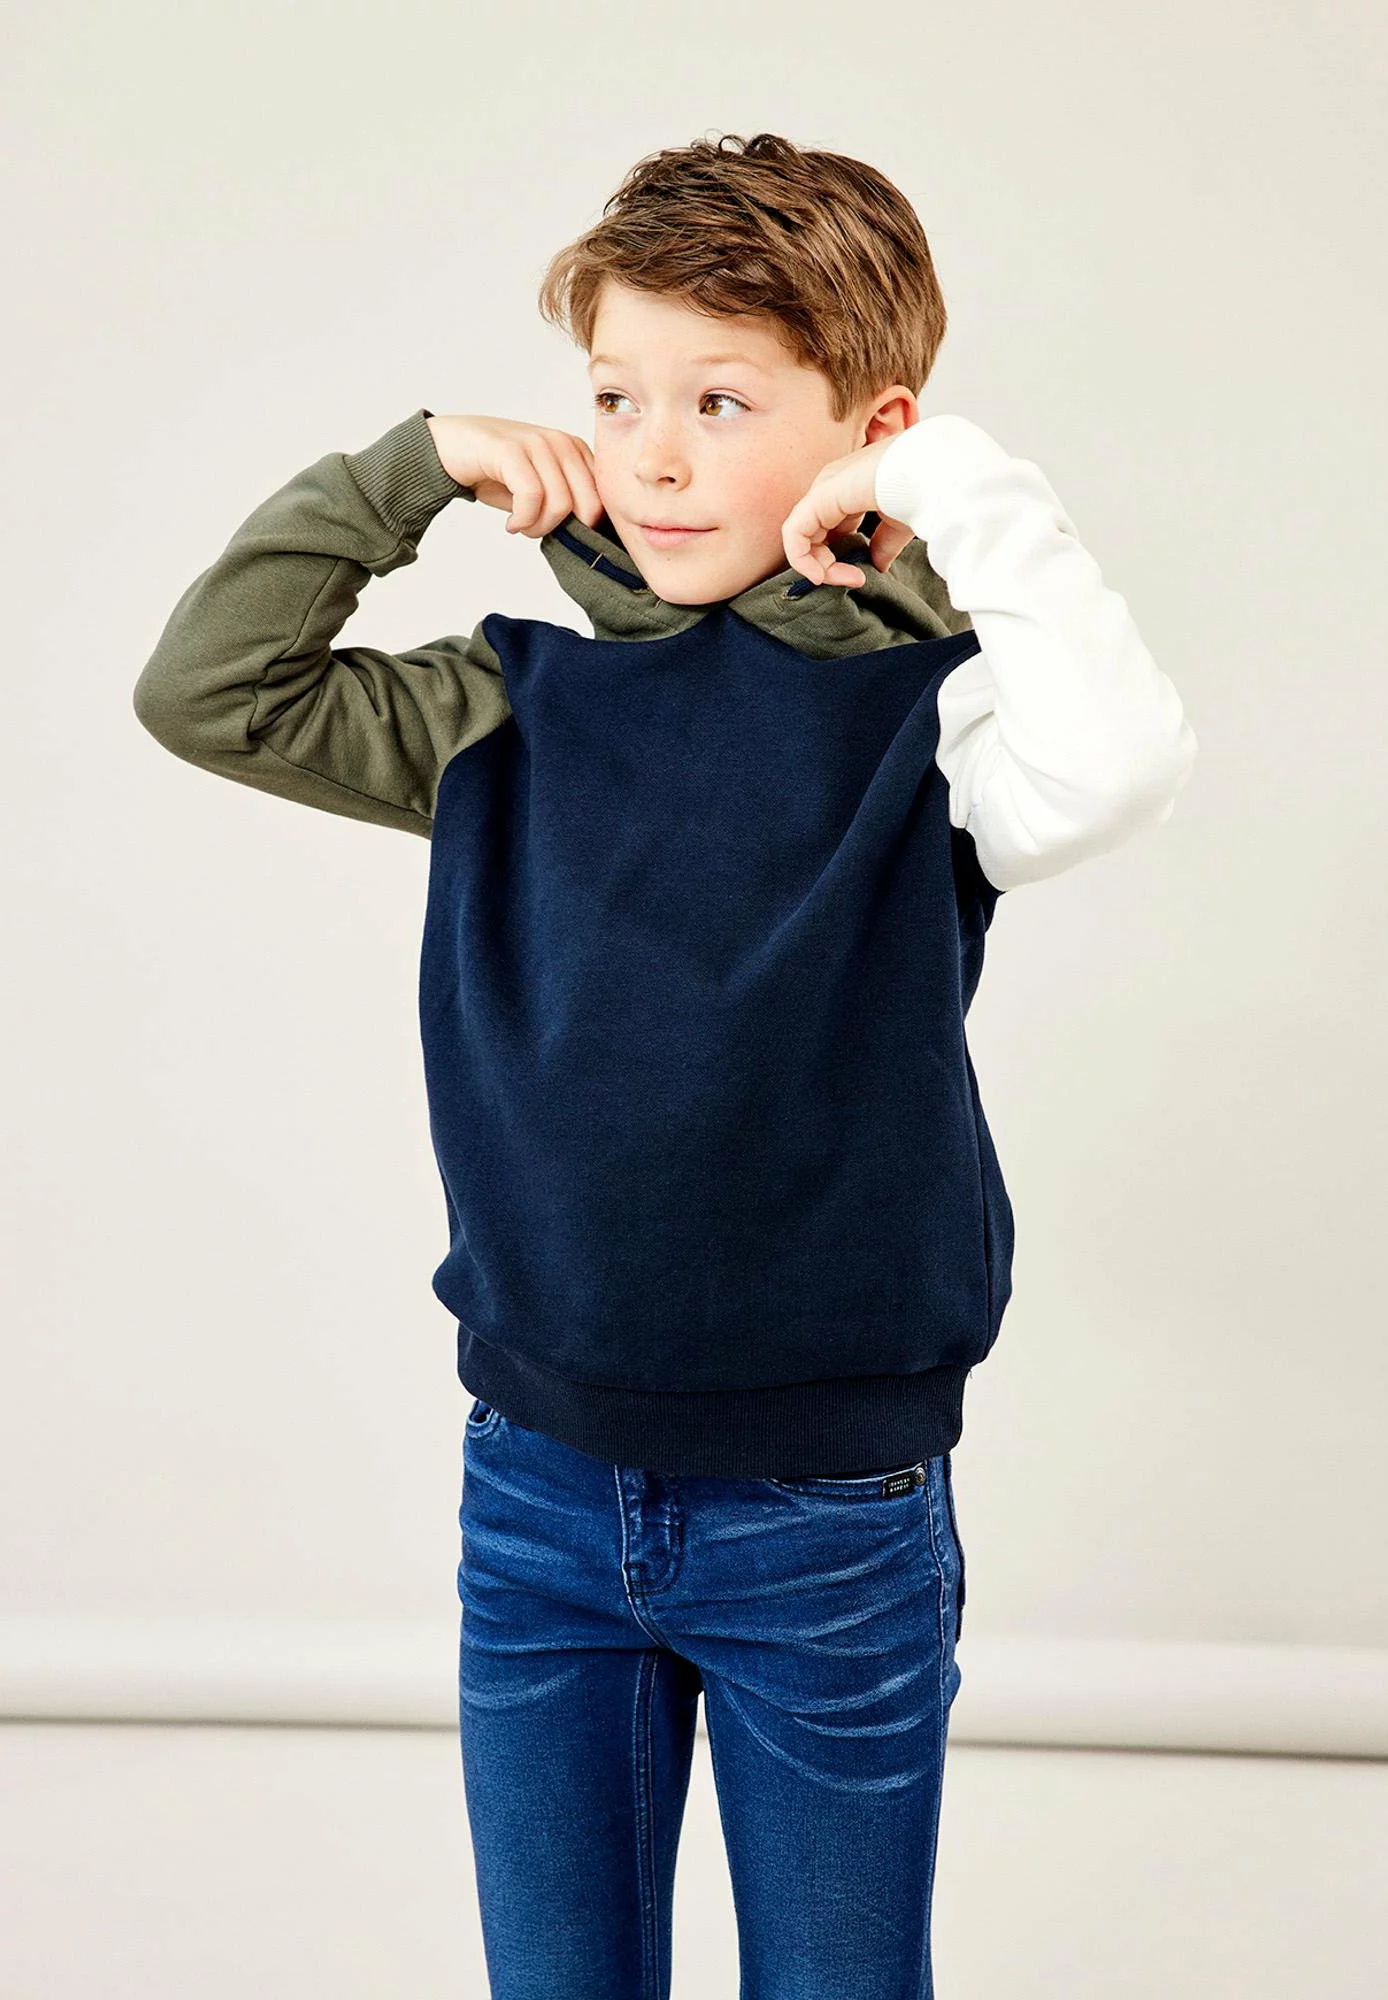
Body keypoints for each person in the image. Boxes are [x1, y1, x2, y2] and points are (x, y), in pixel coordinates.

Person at [133, 130, 1197, 2000]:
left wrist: (940, 484)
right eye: (618, 397)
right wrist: (410, 468)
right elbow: (209, 691)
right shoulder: (507, 705)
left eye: (723, 400)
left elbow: (1117, 763)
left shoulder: (938, 717)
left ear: (867, 427)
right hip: (538, 1490)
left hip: (828, 1519)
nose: (657, 455)